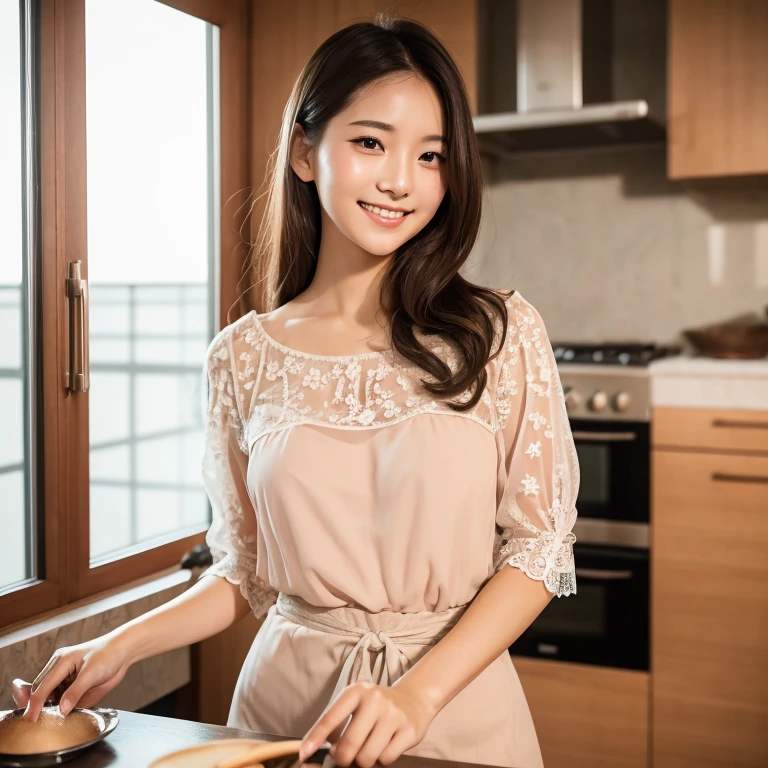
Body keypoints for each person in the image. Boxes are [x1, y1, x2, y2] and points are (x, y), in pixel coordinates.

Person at [15, 14, 579, 768]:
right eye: (371, 142)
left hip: (452, 710)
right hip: (283, 714)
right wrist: (122, 642)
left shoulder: (499, 332)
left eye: (432, 154)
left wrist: (417, 696)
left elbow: (539, 550)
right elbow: (241, 570)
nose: (400, 179)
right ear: (306, 154)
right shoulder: (242, 357)